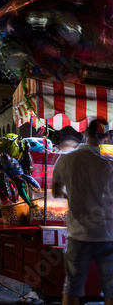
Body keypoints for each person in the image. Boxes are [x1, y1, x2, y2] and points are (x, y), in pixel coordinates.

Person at [52, 119, 113, 305]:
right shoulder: (109, 162)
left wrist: (71, 194)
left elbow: (55, 191)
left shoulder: (66, 158)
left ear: (84, 133)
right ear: (107, 137)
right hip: (108, 234)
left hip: (78, 234)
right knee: (111, 290)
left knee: (72, 288)